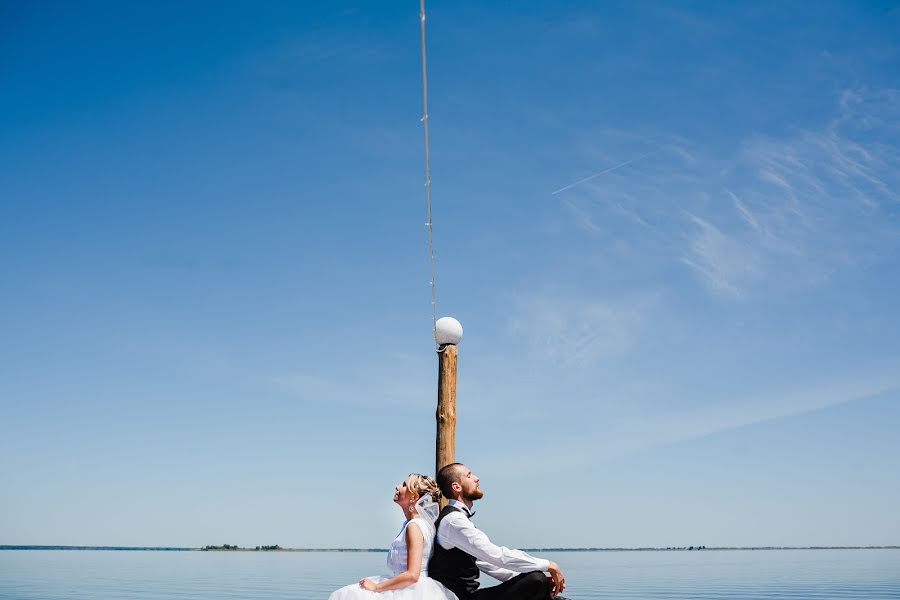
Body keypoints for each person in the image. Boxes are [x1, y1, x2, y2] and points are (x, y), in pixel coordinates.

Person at [428, 463, 566, 600]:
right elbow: (498, 556)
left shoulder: (456, 519)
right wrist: (549, 565)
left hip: (467, 596)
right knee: (537, 579)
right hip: (457, 597)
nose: (477, 478)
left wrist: (525, 578)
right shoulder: (454, 521)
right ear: (456, 487)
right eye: (469, 476)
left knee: (536, 580)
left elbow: (490, 564)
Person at [328, 473, 459, 600]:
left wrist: (376, 587)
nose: (397, 487)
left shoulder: (414, 526)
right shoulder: (416, 524)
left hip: (411, 590)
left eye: (403, 485)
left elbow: (412, 575)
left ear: (414, 496)